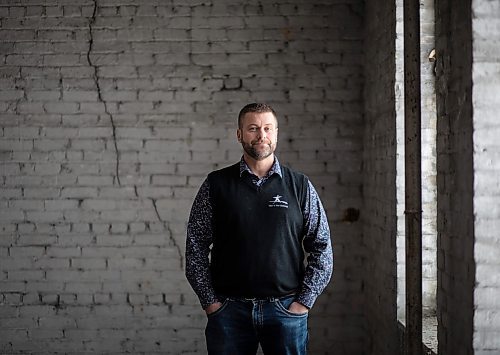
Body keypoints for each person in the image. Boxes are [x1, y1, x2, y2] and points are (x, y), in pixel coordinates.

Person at [185, 103, 333, 355]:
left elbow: (322, 248)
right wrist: (211, 303)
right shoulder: (216, 185)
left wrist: (302, 304)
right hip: (229, 312)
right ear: (239, 134)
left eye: (267, 128)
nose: (261, 135)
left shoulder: (299, 186)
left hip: (286, 310)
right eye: (253, 128)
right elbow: (195, 247)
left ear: (276, 133)